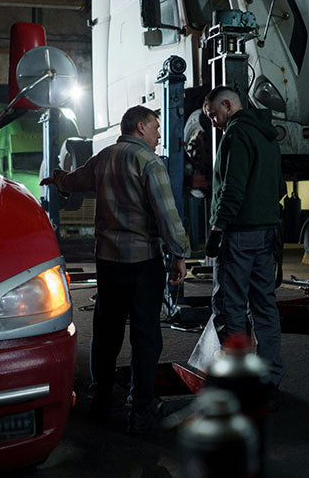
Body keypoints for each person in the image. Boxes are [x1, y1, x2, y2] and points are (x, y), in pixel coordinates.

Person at [41, 105, 189, 434]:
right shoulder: (150, 162)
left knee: (106, 332)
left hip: (108, 261)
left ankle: (102, 398)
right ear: (139, 127)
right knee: (145, 334)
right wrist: (180, 253)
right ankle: (141, 409)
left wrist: (58, 178)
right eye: (155, 128)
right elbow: (167, 213)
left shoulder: (104, 157)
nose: (159, 134)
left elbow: (75, 181)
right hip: (142, 263)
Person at [202, 86, 286, 389]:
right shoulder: (266, 134)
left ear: (227, 104)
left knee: (229, 307)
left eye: (214, 115)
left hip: (238, 235)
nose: (213, 122)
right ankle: (268, 380)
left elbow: (232, 188)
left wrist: (217, 228)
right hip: (266, 233)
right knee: (264, 306)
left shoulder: (236, 135)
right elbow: (279, 187)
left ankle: (239, 383)